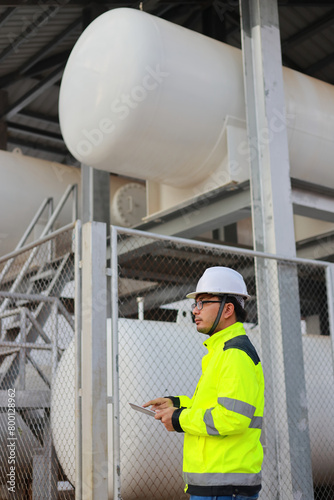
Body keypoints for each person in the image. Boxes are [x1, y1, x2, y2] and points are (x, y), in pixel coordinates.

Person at [143, 266, 265, 500]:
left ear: (228, 308)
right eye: (194, 304)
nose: (195, 311)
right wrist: (175, 403)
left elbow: (232, 418)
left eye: (202, 303)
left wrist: (179, 418)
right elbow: (210, 404)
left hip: (225, 487)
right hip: (219, 485)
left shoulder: (235, 353)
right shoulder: (221, 350)